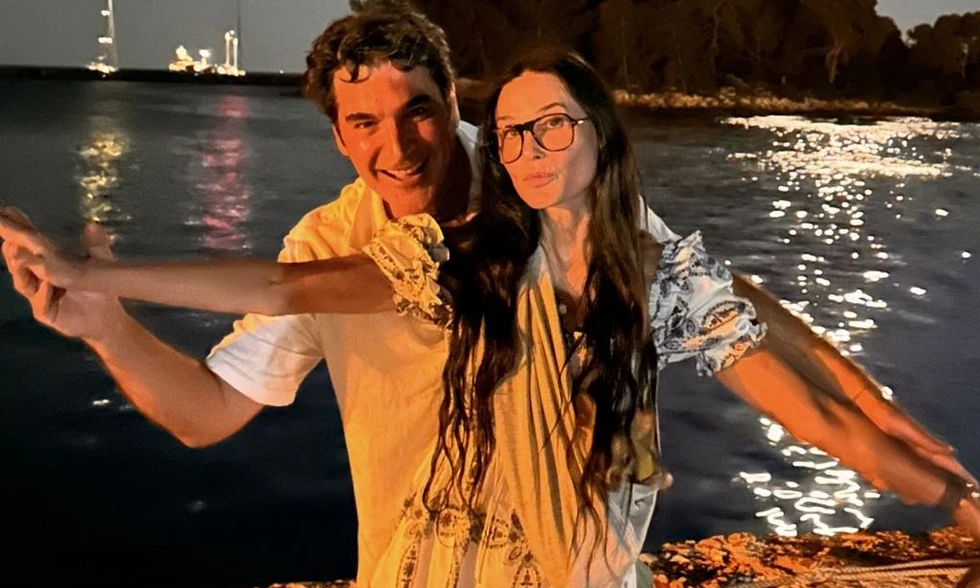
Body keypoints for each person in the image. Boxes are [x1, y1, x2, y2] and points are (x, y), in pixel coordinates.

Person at [4, 45, 980, 587]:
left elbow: (801, 388)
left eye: (550, 125)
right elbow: (287, 292)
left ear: (596, 138)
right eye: (512, 133)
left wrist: (934, 478)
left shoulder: (656, 271)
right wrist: (107, 290)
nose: (529, 148)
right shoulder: (456, 258)